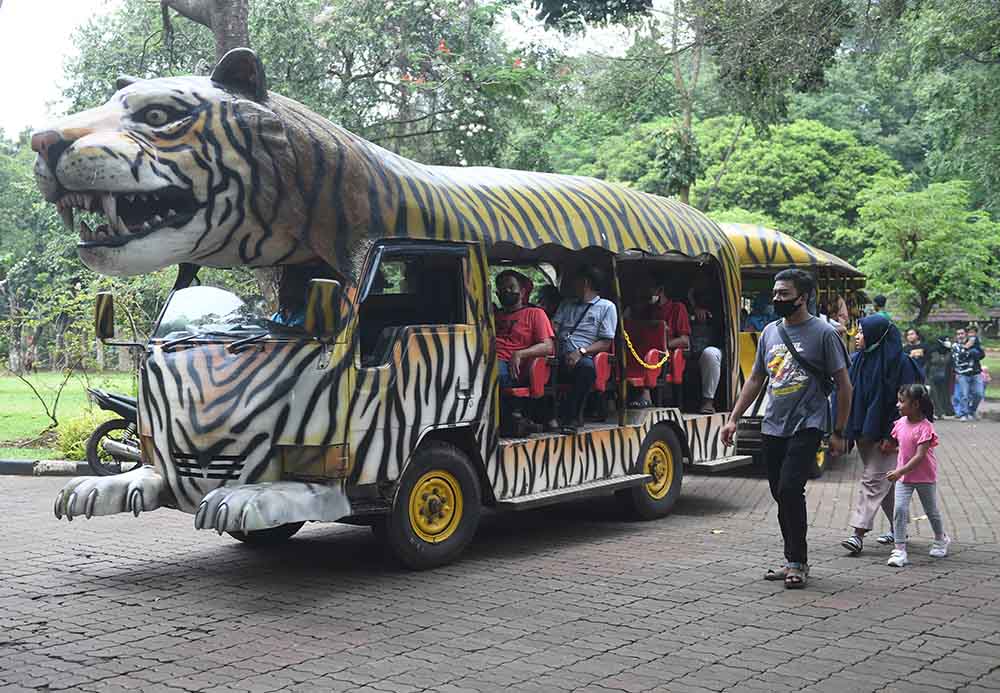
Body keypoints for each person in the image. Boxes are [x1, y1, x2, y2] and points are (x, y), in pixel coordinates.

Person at [722, 269, 852, 589]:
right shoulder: (769, 332)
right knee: (781, 493)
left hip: (808, 423)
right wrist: (733, 418)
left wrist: (838, 431)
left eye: (784, 294)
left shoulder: (824, 333)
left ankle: (797, 562)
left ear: (802, 298)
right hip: (773, 424)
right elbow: (756, 379)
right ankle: (792, 558)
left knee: (791, 488)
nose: (776, 299)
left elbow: (845, 386)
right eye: (775, 293)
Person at [839, 316, 923, 555]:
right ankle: (899, 529)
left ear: (878, 336)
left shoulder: (902, 364)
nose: (856, 336)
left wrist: (893, 436)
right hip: (864, 432)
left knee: (873, 480)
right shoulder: (858, 361)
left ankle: (858, 533)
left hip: (889, 435)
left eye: (862, 332)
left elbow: (909, 405)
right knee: (885, 483)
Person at [885, 384, 950, 567]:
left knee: (931, 511)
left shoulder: (925, 428)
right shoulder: (899, 425)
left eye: (902, 401)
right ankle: (899, 550)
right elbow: (905, 447)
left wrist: (899, 471)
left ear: (915, 405)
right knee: (899, 511)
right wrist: (893, 450)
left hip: (923, 476)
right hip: (904, 479)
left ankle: (940, 539)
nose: (898, 405)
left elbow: (920, 456)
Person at [551, 266, 617, 433]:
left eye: (575, 281)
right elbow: (554, 328)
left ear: (585, 283)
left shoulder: (606, 307)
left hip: (583, 355)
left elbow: (606, 342)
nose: (572, 284)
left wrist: (581, 352)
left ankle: (571, 418)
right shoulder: (567, 304)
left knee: (586, 369)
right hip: (558, 353)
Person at [494, 270, 555, 436]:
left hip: (512, 366)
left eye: (510, 287)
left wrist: (519, 354)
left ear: (521, 291)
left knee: (492, 373)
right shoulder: (494, 315)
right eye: (502, 288)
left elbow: (547, 346)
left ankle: (513, 415)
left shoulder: (535, 314)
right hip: (488, 358)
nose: (506, 291)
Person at [624, 275, 690, 408]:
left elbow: (685, 341)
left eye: (648, 289)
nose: (644, 293)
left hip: (664, 355)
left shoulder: (677, 308)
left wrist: (661, 342)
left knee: (651, 354)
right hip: (640, 352)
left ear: (660, 290)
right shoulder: (647, 309)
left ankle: (646, 395)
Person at [687, 282, 723, 414]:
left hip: (718, 351)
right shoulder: (687, 310)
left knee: (710, 354)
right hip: (690, 351)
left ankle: (708, 401)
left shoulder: (721, 310)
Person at [948, 326, 985, 421]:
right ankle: (964, 414)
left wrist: (973, 350)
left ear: (966, 334)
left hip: (976, 372)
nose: (960, 336)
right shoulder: (955, 346)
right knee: (964, 395)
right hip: (962, 374)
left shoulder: (974, 344)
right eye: (958, 334)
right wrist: (966, 348)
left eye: (962, 333)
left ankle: (972, 411)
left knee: (979, 394)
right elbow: (958, 358)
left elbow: (981, 355)